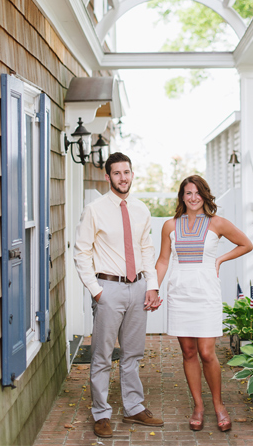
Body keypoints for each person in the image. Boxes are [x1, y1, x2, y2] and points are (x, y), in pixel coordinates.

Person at [74, 152, 164, 439]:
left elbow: (146, 250)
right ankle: (101, 413)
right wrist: (97, 292)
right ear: (107, 176)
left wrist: (152, 285)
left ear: (132, 174)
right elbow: (81, 252)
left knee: (133, 353)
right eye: (117, 173)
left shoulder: (141, 209)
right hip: (108, 288)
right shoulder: (95, 209)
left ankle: (133, 407)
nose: (123, 178)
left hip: (137, 287)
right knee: (101, 354)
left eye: (127, 172)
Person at [155, 175, 253, 432]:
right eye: (188, 193)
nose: (193, 197)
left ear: (205, 195)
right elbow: (164, 260)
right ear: (182, 197)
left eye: (197, 192)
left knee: (207, 353)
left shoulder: (217, 223)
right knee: (188, 352)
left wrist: (220, 260)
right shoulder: (170, 226)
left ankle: (218, 404)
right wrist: (153, 288)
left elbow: (246, 244)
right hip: (179, 294)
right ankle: (198, 406)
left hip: (206, 294)